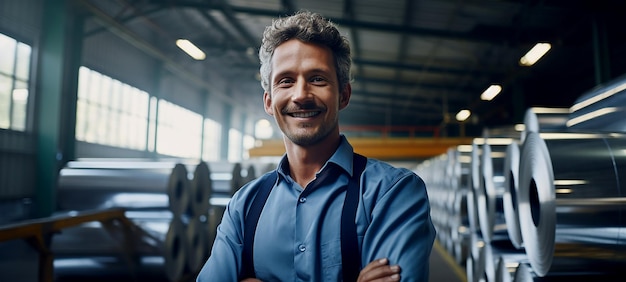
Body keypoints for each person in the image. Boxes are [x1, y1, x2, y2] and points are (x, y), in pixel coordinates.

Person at [196, 10, 435, 282]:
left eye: (317, 79)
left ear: (343, 95)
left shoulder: (394, 193)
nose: (301, 95)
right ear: (268, 102)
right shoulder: (245, 206)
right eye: (286, 81)